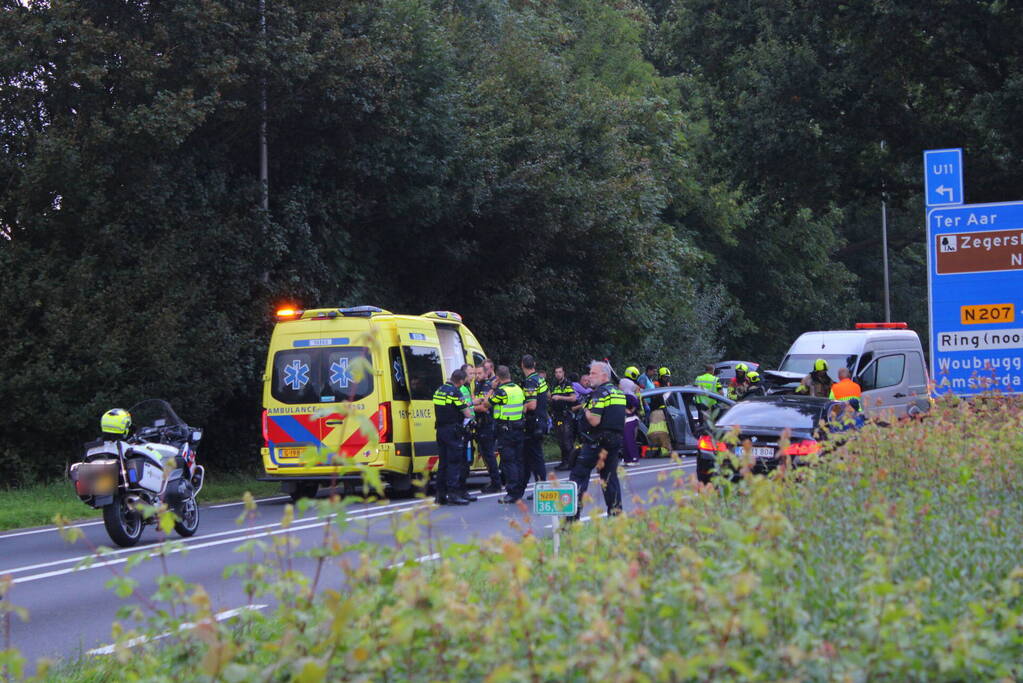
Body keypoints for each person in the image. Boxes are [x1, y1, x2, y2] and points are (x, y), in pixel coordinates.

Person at [569, 361, 626, 520]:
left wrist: (586, 409)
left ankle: (570, 520)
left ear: (604, 375)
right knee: (609, 478)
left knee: (578, 476)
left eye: (593, 373)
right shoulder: (618, 393)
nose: (589, 376)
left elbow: (594, 420)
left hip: (595, 442)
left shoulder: (599, 393)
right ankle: (616, 516)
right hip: (613, 443)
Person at [432, 369, 473, 505]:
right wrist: (471, 411)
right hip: (452, 431)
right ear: (461, 381)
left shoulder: (439, 390)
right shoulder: (456, 392)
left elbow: (447, 406)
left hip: (441, 430)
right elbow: (467, 413)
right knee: (454, 463)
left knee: (443, 463)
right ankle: (453, 494)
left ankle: (440, 495)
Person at [489, 365, 527, 504]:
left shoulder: (501, 392)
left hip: (506, 430)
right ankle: (519, 490)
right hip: (518, 428)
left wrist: (492, 388)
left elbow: (488, 404)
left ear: (498, 378)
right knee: (518, 461)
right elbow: (524, 407)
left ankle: (512, 492)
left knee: (508, 461)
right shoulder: (518, 389)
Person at [520, 354, 549, 494]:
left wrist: (521, 409)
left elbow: (531, 404)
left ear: (522, 365)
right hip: (541, 420)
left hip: (534, 423)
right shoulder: (540, 379)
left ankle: (541, 487)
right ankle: (522, 487)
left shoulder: (530, 381)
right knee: (529, 456)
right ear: (535, 364)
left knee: (535, 456)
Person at [472, 362, 503, 493]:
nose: (477, 376)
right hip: (480, 424)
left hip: (488, 423)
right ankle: (493, 481)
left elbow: (484, 406)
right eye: (475, 373)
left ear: (486, 373)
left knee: (489, 455)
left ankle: (496, 483)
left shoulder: (488, 386)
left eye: (479, 373)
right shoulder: (477, 385)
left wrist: (473, 407)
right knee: (484, 454)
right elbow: (475, 402)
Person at [549, 366, 577, 471]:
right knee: (561, 440)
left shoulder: (567, 383)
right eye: (556, 372)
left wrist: (560, 397)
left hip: (566, 416)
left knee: (567, 440)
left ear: (563, 373)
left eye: (560, 372)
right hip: (557, 416)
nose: (558, 374)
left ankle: (571, 463)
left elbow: (573, 398)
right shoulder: (555, 384)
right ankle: (564, 462)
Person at [622, 393, 641, 465]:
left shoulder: (627, 396)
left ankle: (634, 459)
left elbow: (636, 403)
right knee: (625, 441)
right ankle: (627, 459)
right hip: (625, 420)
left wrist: (630, 410)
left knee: (629, 440)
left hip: (631, 419)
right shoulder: (621, 396)